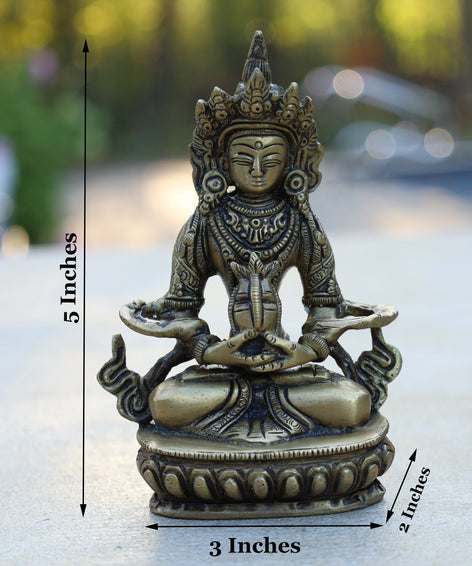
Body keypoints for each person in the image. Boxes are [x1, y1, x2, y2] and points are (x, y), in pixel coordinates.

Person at [118, 32, 384, 440]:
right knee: (167, 403)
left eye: (270, 159)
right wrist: (211, 351)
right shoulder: (206, 223)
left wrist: (302, 351)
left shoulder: (300, 223)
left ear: (291, 164)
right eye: (244, 158)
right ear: (222, 163)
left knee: (350, 403)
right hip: (225, 367)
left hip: (290, 368)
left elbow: (325, 309)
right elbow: (182, 310)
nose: (257, 170)